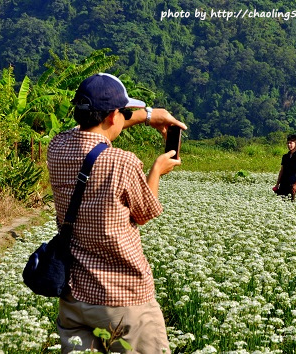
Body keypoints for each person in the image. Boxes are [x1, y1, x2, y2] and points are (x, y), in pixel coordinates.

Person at [47, 73, 187, 353]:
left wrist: (147, 116)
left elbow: (88, 129)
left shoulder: (57, 147)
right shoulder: (122, 162)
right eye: (122, 111)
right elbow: (145, 212)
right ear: (113, 116)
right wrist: (157, 171)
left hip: (74, 298)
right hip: (122, 299)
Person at [273, 134, 296, 198]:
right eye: (288, 143)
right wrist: (277, 184)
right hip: (284, 183)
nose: (289, 145)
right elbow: (282, 170)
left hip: (293, 183)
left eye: (291, 143)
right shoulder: (285, 157)